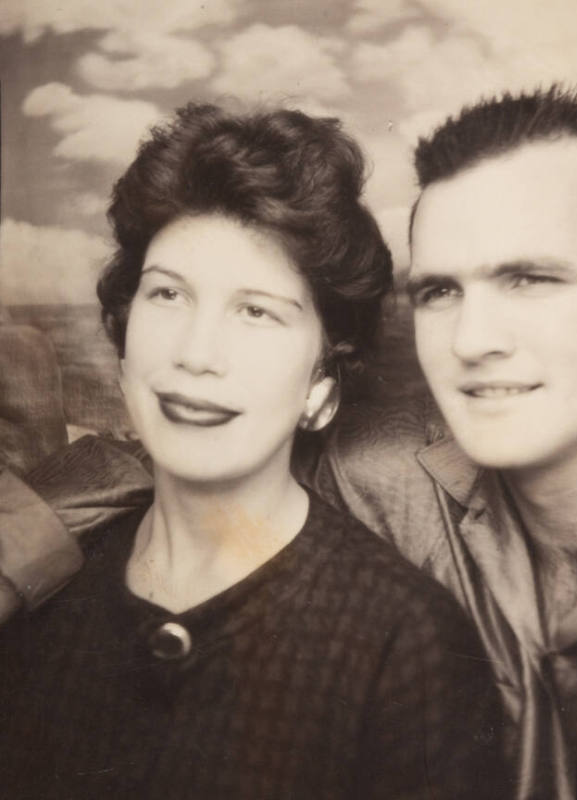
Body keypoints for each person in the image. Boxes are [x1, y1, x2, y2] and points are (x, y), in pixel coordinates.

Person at [4, 86, 577, 798]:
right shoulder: (381, 473)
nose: (473, 341)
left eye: (531, 279)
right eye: (440, 291)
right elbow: (200, 439)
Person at [0, 103, 506, 799]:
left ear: (322, 383)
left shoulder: (405, 642)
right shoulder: (41, 585)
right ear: (123, 332)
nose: (196, 353)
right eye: (168, 294)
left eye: (257, 311)